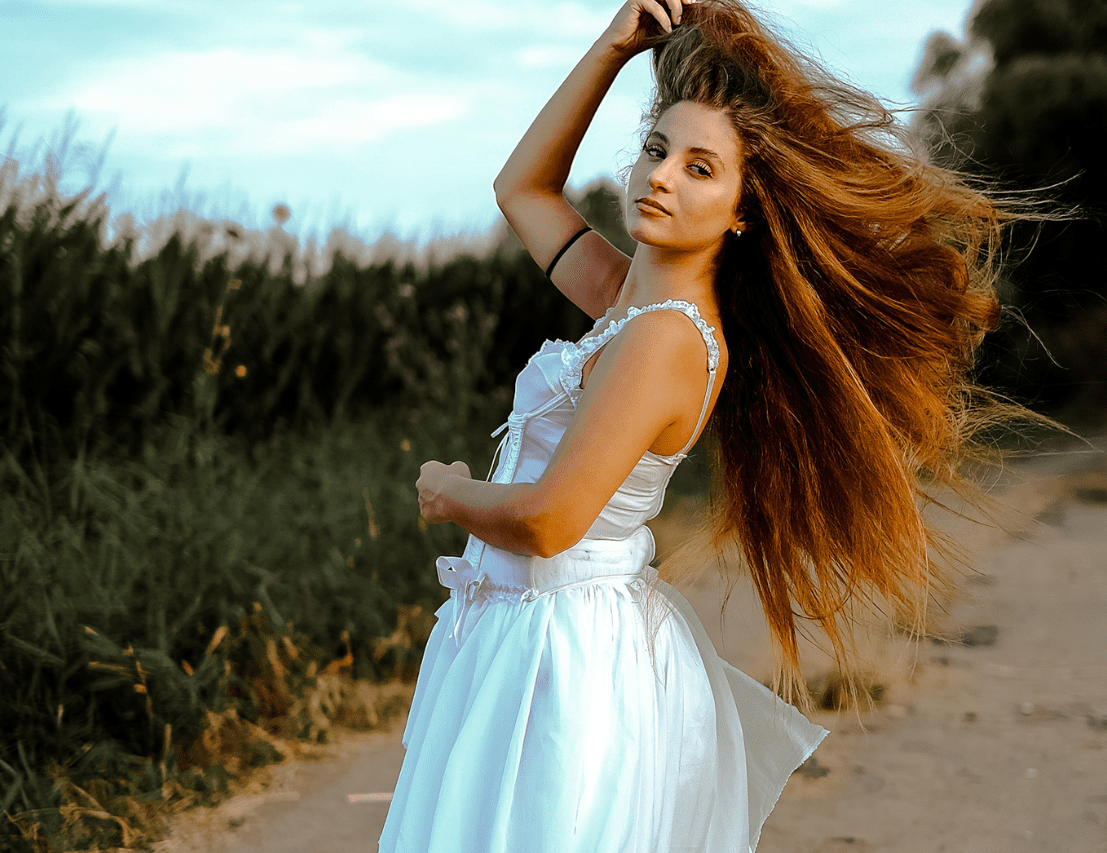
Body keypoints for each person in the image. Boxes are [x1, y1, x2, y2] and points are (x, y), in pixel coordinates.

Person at [380, 1, 1010, 850]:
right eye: (655, 149)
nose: (662, 177)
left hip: (563, 650)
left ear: (743, 209)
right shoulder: (623, 299)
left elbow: (550, 520)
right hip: (532, 628)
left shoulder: (666, 338)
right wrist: (612, 49)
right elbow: (520, 189)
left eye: (701, 168)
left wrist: (451, 493)